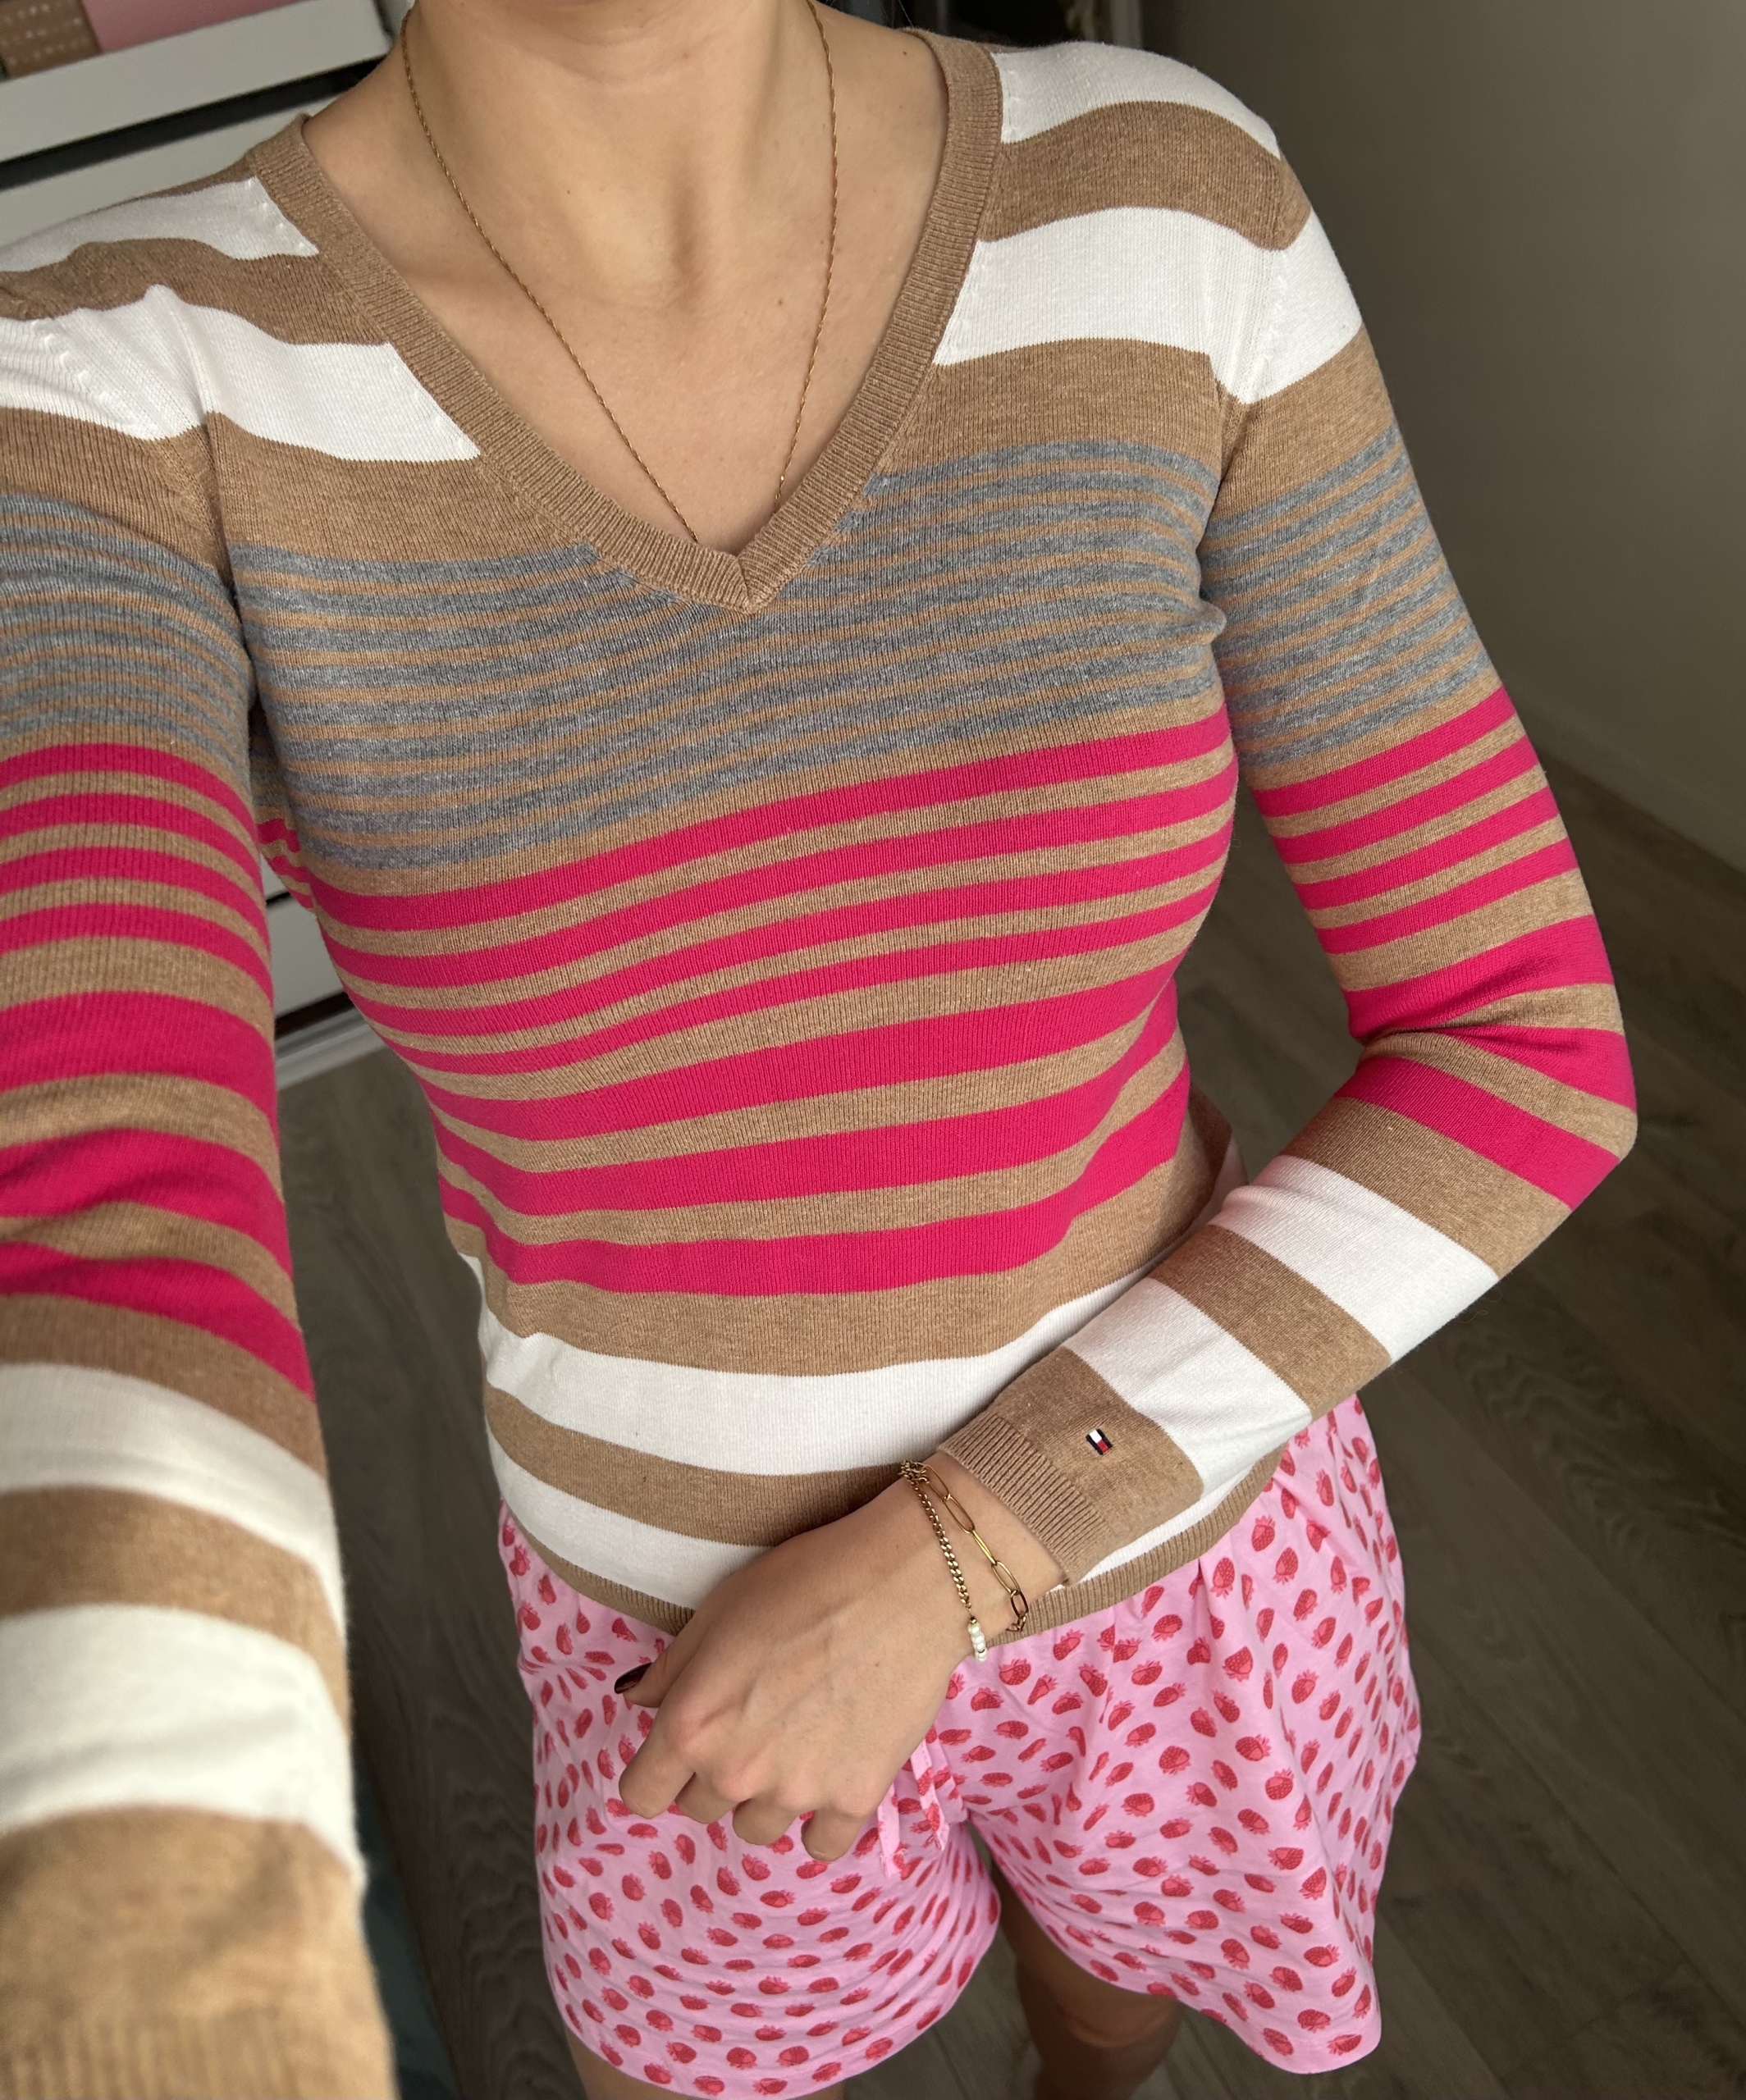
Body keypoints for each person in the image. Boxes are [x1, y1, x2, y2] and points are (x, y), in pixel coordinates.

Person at [0, 2, 1636, 2096]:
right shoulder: (113, 368)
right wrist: (136, 1956)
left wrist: (959, 1551)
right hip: (667, 1649)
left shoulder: (1162, 202)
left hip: (1179, 1546)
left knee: (1111, 2007)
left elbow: (1520, 1043)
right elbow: (87, 1180)